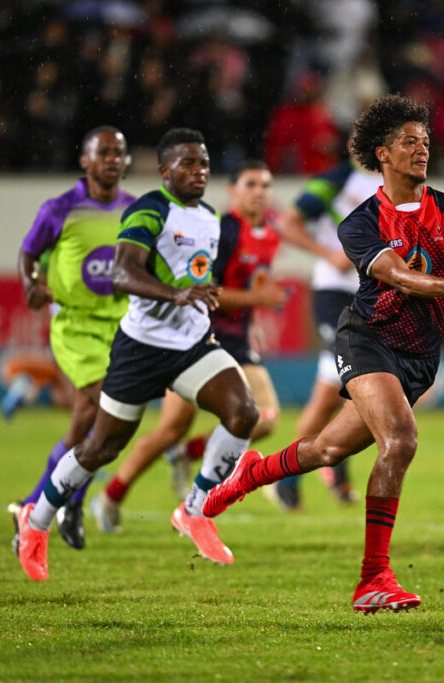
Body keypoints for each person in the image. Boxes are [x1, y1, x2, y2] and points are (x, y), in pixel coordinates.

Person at [201, 94, 444, 612]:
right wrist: (439, 287)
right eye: (408, 142)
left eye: (424, 141)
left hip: (419, 358)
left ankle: (251, 473)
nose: (421, 150)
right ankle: (374, 577)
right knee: (399, 439)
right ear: (383, 154)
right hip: (367, 337)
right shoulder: (360, 221)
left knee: (326, 450)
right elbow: (391, 273)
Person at [13, 128, 259, 580]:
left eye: (203, 162)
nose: (198, 170)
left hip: (190, 345)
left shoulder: (209, 217)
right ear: (165, 171)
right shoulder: (148, 209)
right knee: (100, 446)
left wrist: (203, 299)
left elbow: (198, 276)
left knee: (244, 413)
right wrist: (178, 295)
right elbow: (123, 274)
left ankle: (195, 508)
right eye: (187, 163)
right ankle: (36, 520)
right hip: (141, 349)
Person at [90, 160, 288, 533]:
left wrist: (255, 318)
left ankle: (188, 457)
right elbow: (208, 291)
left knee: (263, 418)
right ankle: (112, 495)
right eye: (251, 184)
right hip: (195, 340)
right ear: (233, 191)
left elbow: (252, 286)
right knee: (170, 428)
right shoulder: (224, 231)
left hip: (238, 343)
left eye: (266, 184)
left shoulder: (270, 235)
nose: (260, 191)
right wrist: (256, 300)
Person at [7, 126, 135, 552]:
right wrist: (31, 284)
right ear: (85, 160)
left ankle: (33, 504)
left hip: (120, 326)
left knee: (86, 422)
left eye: (118, 152)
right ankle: (73, 501)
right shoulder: (60, 208)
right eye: (103, 153)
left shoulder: (134, 210)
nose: (112, 159)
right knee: (106, 407)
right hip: (76, 326)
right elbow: (28, 252)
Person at [270, 153, 381, 509]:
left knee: (342, 390)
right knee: (341, 387)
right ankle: (290, 477)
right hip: (334, 293)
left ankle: (326, 468)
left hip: (370, 296)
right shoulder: (337, 179)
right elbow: (287, 223)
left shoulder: (401, 187)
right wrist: (326, 253)